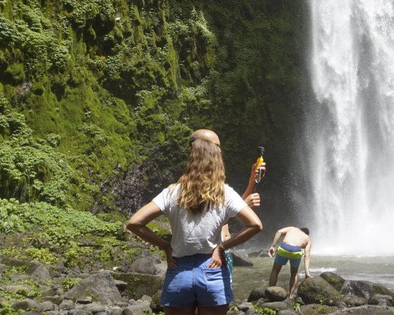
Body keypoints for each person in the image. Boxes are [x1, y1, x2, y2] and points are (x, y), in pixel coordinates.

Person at [127, 129, 262, 315]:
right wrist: (222, 247)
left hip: (179, 269)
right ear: (215, 156)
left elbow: (134, 223)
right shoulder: (224, 192)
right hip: (212, 267)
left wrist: (165, 246)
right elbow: (255, 225)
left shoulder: (172, 192)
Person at [222, 159, 266, 279]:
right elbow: (212, 223)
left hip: (224, 253)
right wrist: (244, 204)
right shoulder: (203, 193)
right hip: (215, 253)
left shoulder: (222, 191)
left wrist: (253, 179)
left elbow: (235, 205)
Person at [268, 226, 312, 299]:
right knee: (294, 273)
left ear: (300, 230)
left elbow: (279, 231)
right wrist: (307, 273)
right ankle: (290, 295)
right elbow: (307, 255)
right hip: (296, 251)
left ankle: (270, 291)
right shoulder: (307, 238)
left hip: (284, 248)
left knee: (275, 270)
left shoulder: (292, 228)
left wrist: (273, 246)